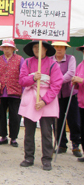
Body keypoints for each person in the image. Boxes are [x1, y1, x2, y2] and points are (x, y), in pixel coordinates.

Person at [18, 41, 63, 171]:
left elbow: (56, 85)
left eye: (39, 47)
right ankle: (29, 157)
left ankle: (47, 159)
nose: (37, 49)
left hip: (47, 99)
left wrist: (44, 101)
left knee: (46, 132)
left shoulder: (53, 64)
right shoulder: (27, 62)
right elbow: (22, 80)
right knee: (29, 131)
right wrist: (32, 78)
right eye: (35, 47)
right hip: (30, 97)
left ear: (46, 49)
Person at [51, 41, 82, 157]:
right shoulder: (50, 60)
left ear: (65, 49)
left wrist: (57, 82)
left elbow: (71, 73)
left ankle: (75, 145)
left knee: (74, 120)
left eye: (61, 47)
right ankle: (61, 144)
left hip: (70, 94)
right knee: (57, 121)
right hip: (56, 96)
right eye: (57, 47)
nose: (59, 49)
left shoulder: (71, 58)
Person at [0, 39, 24, 147]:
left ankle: (14, 137)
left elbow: (23, 74)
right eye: (5, 47)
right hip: (1, 92)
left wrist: (23, 91)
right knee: (0, 115)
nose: (6, 49)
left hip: (15, 91)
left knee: (15, 116)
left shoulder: (20, 59)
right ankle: (3, 136)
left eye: (9, 47)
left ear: (13, 48)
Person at [71, 44, 84, 162]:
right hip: (81, 102)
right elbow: (77, 85)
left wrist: (82, 81)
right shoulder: (80, 65)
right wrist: (75, 82)